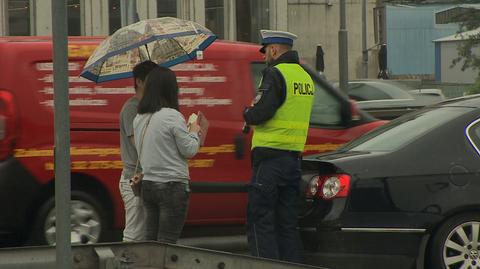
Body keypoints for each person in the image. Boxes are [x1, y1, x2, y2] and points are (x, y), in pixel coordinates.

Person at [243, 30, 315, 263]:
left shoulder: (275, 74)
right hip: (293, 159)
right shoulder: (304, 77)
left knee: (260, 219)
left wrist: (247, 113)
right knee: (287, 223)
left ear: (273, 50)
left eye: (265, 52)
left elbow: (261, 113)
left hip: (270, 159)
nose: (264, 57)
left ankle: (264, 266)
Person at [133, 66, 201, 243]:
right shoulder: (172, 116)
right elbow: (190, 150)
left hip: (148, 186)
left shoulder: (139, 117)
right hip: (171, 186)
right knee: (167, 245)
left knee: (151, 243)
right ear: (170, 89)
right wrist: (194, 131)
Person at [119, 60, 158, 242]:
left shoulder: (151, 108)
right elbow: (138, 143)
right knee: (134, 234)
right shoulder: (131, 108)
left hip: (148, 176)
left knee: (146, 234)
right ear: (139, 82)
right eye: (152, 79)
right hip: (133, 179)